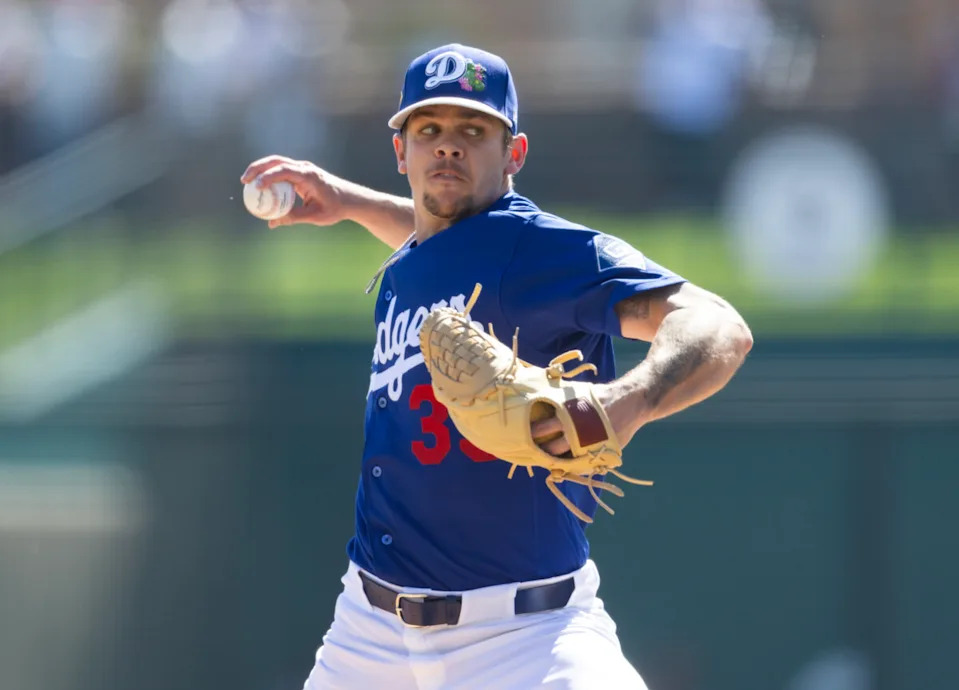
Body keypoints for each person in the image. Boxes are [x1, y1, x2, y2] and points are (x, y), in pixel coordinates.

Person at [241, 43, 752, 690]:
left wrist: (631, 400)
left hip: (526, 638)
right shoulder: (421, 253)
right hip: (367, 634)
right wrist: (348, 201)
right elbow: (440, 239)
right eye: (428, 130)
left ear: (513, 154)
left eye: (473, 131)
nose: (447, 147)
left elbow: (716, 325)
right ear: (401, 152)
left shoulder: (544, 250)